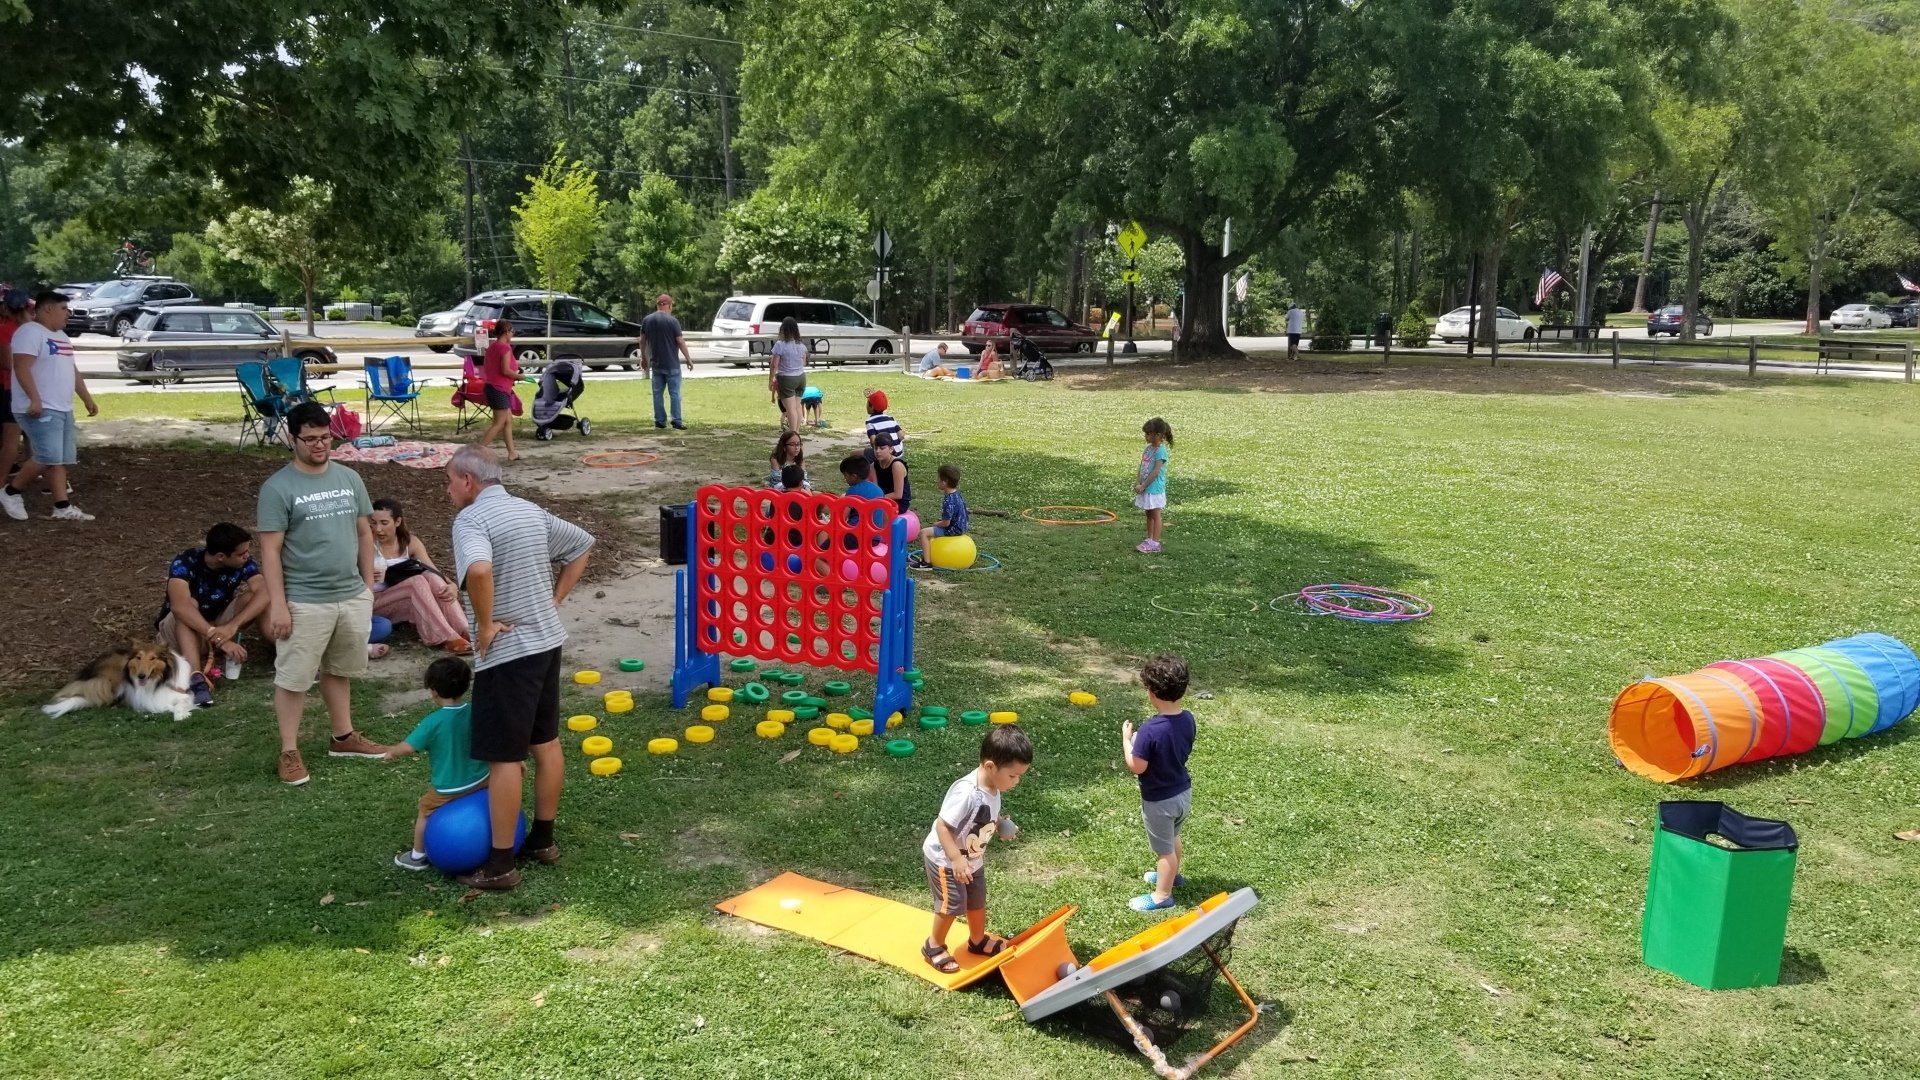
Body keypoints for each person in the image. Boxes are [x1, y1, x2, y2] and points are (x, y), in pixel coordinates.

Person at [447, 443, 594, 891]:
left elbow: (479, 570)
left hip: (509, 655)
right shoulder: (528, 510)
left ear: (468, 481)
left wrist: (485, 625)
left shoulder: (471, 519)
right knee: (545, 743)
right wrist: (554, 600)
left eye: (449, 481)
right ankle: (542, 842)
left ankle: (500, 865)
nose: (447, 490)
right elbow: (581, 544)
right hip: (547, 644)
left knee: (505, 757)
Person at [258, 400, 386, 786]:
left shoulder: (349, 478)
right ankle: (289, 750)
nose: (319, 445)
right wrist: (278, 605)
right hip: (304, 599)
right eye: (310, 439)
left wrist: (367, 587)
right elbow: (270, 551)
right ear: (292, 439)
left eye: (326, 437)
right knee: (294, 678)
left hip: (351, 594)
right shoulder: (277, 488)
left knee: (340, 669)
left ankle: (343, 737)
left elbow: (364, 533)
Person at [920, 725, 1031, 975]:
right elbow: (942, 826)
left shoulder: (993, 786)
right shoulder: (967, 793)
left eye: (1019, 776)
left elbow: (983, 815)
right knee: (952, 903)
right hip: (946, 858)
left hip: (972, 858)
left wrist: (999, 824)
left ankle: (977, 940)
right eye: (1013, 775)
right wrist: (955, 859)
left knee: (977, 899)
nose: (1016, 781)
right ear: (990, 767)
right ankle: (933, 946)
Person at [1, 290, 98, 522]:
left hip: (62, 406)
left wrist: (86, 398)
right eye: (64, 308)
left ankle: (62, 506)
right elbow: (21, 367)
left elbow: (71, 370)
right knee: (47, 455)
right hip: (40, 407)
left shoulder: (61, 336)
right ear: (47, 309)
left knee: (59, 459)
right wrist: (34, 399)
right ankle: (10, 492)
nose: (68, 313)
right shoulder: (29, 332)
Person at [385, 657, 488, 871]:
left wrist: (393, 751)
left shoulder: (433, 722)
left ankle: (417, 856)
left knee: (424, 810)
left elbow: (409, 747)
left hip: (449, 788)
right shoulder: (476, 711)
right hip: (483, 779)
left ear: (433, 691)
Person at [159, 522, 271, 706]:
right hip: (178, 632)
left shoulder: (243, 562)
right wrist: (220, 639)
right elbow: (179, 607)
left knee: (254, 597)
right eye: (241, 554)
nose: (247, 556)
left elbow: (265, 592)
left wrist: (232, 626)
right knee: (189, 605)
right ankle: (196, 678)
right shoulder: (186, 561)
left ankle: (286, 652)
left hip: (216, 625)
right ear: (220, 556)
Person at [1123, 654, 1197, 912]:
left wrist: (1127, 742)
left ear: (1152, 693)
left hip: (1160, 801)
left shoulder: (1150, 730)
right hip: (1182, 793)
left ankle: (1162, 896)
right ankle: (1171, 876)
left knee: (1165, 851)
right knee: (1172, 838)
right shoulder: (1188, 719)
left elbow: (1137, 766)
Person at [370, 498, 472, 654]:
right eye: (373, 523)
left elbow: (432, 569)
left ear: (397, 522)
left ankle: (464, 629)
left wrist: (451, 585)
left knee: (432, 578)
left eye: (384, 523)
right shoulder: (366, 544)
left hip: (403, 597)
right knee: (416, 581)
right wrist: (366, 573)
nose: (378, 529)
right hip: (374, 600)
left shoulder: (409, 542)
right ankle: (446, 637)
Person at [640, 293, 694, 430]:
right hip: (672, 364)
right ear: (669, 306)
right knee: (674, 393)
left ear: (658, 305)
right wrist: (688, 359)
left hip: (656, 364)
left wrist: (643, 358)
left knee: (657, 394)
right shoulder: (673, 321)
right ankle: (676, 420)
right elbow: (680, 341)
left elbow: (642, 341)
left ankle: (659, 420)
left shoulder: (647, 320)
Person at [0, 289, 31, 488]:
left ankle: (1, 481)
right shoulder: (37, 329)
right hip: (36, 389)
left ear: (6, 308)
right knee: (34, 438)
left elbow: (7, 363)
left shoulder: (5, 330)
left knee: (10, 441)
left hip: (13, 389)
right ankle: (53, 483)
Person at [480, 319, 520, 461]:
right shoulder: (504, 348)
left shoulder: (493, 347)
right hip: (499, 389)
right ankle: (476, 453)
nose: (513, 334)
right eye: (512, 331)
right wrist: (520, 376)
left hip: (493, 388)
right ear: (506, 332)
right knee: (498, 424)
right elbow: (505, 370)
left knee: (507, 421)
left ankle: (512, 453)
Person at [911, 464, 967, 567]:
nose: (937, 481)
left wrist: (936, 524)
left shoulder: (948, 500)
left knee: (923, 533)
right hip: (962, 527)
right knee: (932, 530)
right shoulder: (957, 494)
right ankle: (928, 553)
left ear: (944, 482)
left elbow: (946, 523)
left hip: (953, 530)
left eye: (938, 479)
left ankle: (926, 563)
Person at [1134, 417, 1172, 554]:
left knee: (1155, 514)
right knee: (1148, 513)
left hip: (1154, 489)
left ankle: (1155, 543)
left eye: (1148, 433)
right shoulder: (1148, 449)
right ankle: (1149, 539)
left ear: (1158, 435)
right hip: (1145, 487)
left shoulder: (1161, 452)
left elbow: (1155, 472)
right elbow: (1142, 466)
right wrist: (1138, 482)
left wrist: (1144, 485)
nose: (1146, 436)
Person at [768, 317, 810, 432]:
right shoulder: (801, 345)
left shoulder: (780, 345)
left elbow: (774, 365)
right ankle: (797, 433)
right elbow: (804, 362)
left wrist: (770, 380)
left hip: (786, 379)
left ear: (783, 329)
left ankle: (792, 434)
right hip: (801, 378)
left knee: (790, 409)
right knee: (797, 406)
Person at [872, 433, 911, 512]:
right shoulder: (873, 465)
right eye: (876, 448)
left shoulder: (896, 465)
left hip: (898, 503)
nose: (878, 451)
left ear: (891, 449)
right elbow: (876, 488)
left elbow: (898, 494)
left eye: (882, 448)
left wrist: (877, 498)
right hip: (881, 499)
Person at [864, 389, 903, 460]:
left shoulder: (870, 421)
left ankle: (874, 466)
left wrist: (880, 449)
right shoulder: (890, 418)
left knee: (855, 454)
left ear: (871, 407)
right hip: (898, 453)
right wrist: (894, 445)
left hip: (885, 455)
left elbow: (873, 441)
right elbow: (901, 436)